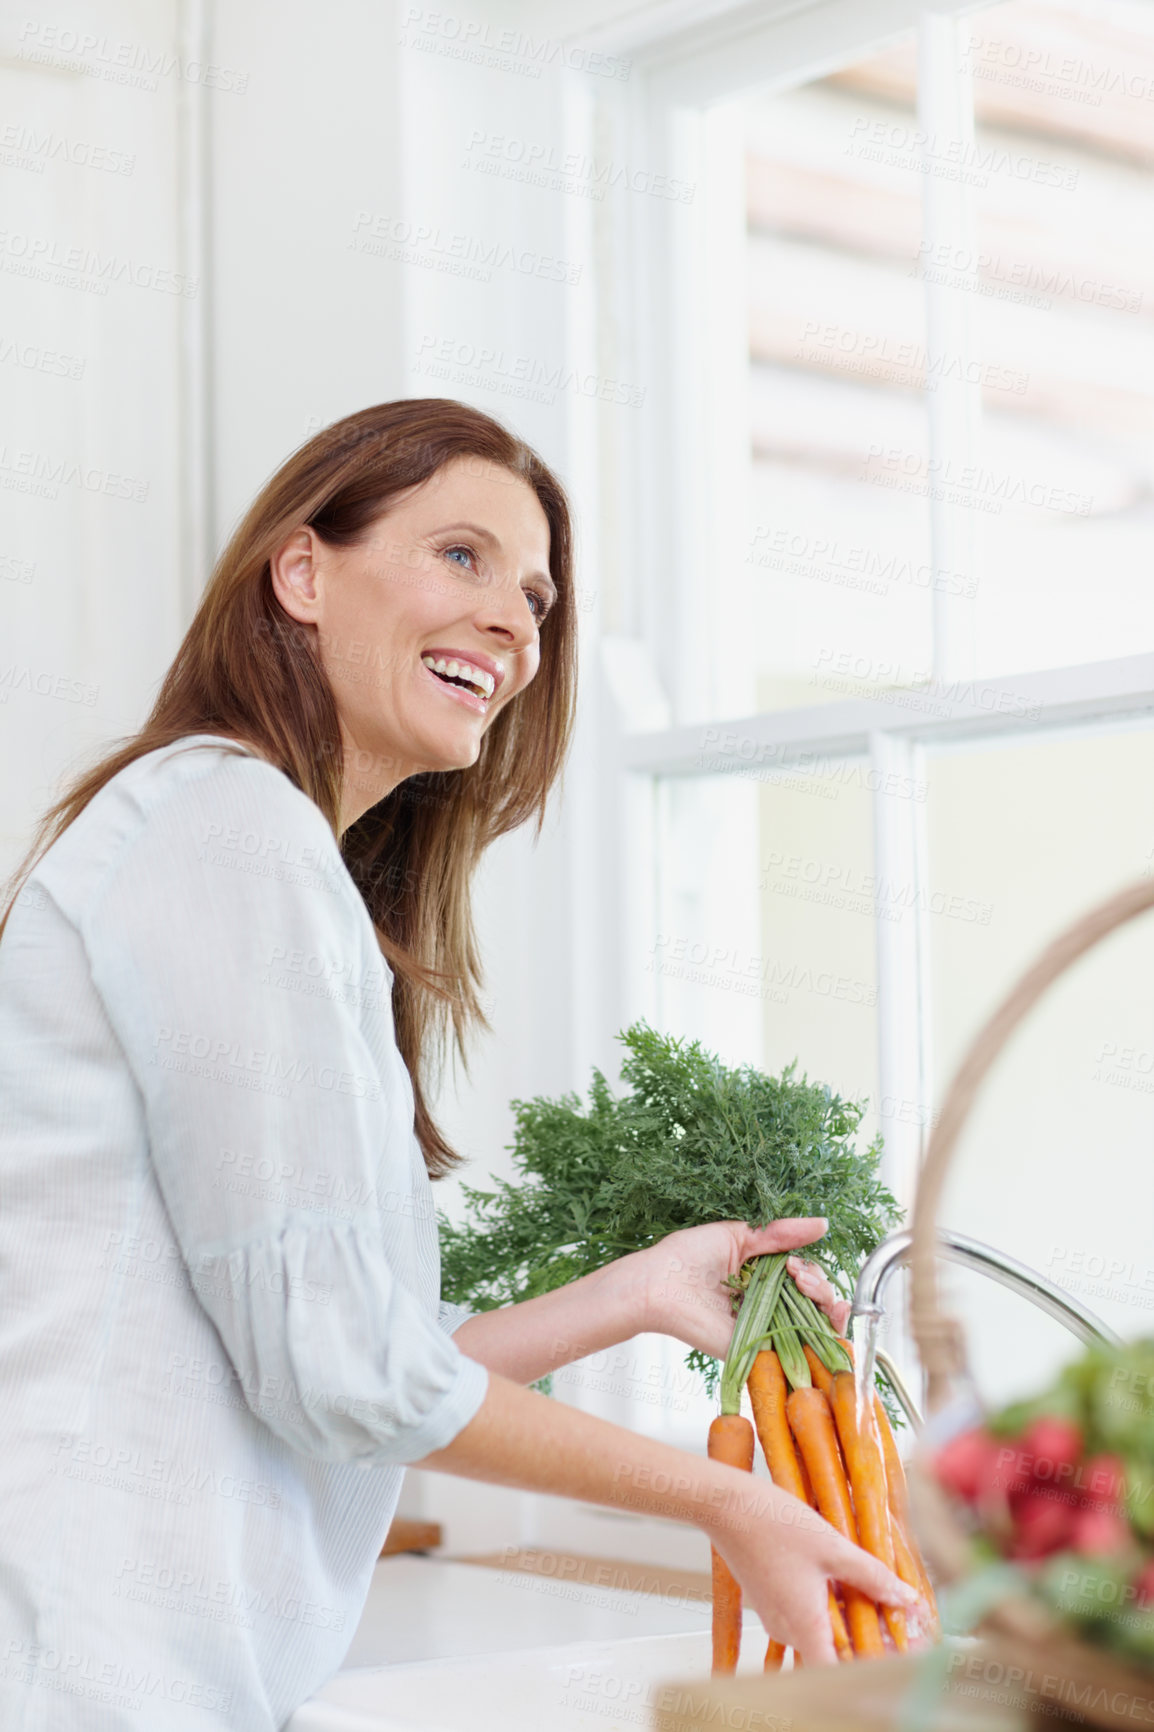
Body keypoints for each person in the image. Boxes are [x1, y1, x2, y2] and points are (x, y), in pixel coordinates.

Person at [0, 400, 917, 1730]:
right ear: (301, 574)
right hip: (84, 1673)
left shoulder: (260, 854)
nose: (513, 623)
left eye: (536, 597)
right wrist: (724, 1496)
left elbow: (339, 1350)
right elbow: (341, 1372)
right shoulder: (225, 824)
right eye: (462, 558)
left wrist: (632, 1294)